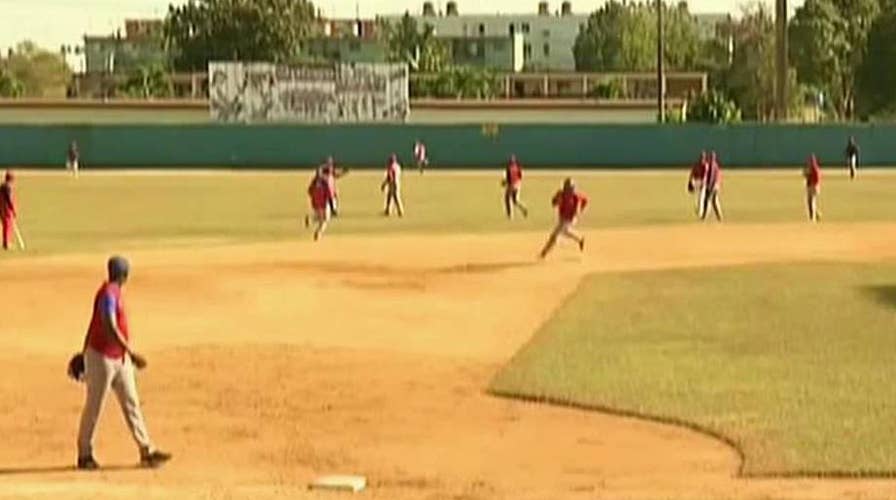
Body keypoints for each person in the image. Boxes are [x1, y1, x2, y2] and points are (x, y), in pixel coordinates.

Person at [77, 256, 171, 470]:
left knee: (132, 403)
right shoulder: (109, 294)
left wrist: (86, 353)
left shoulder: (111, 292)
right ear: (124, 275)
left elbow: (93, 325)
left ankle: (146, 450)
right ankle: (84, 454)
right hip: (102, 358)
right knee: (94, 407)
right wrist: (131, 352)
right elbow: (108, 324)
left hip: (118, 358)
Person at [539, 178, 587, 259]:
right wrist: (557, 200)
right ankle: (580, 239)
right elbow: (553, 203)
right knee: (560, 233)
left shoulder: (576, 197)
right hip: (562, 217)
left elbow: (582, 204)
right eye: (567, 187)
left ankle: (544, 253)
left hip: (571, 218)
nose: (569, 190)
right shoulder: (560, 194)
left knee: (559, 232)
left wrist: (578, 212)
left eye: (570, 188)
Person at [305, 169, 332, 241]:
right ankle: (318, 233)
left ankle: (311, 220)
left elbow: (309, 191)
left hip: (315, 203)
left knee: (319, 217)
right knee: (325, 220)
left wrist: (314, 199)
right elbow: (328, 193)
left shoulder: (314, 181)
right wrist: (331, 204)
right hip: (323, 203)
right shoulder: (324, 182)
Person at [502, 155, 528, 219]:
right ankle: (523, 208)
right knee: (515, 200)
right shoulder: (518, 167)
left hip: (512, 185)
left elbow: (508, 179)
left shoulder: (508, 168)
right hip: (517, 185)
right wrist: (517, 184)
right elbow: (520, 176)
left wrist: (504, 183)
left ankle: (510, 215)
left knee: (507, 199)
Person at [701, 151, 723, 222]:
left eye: (711, 157)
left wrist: (709, 186)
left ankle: (704, 216)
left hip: (713, 186)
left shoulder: (712, 166)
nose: (710, 158)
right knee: (714, 201)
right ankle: (719, 216)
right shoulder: (715, 165)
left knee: (707, 200)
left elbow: (711, 177)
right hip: (716, 186)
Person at [687, 151, 708, 215]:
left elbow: (705, 176)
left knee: (701, 197)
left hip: (703, 183)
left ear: (704, 158)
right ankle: (700, 211)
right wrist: (691, 181)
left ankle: (700, 212)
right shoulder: (696, 165)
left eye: (703, 157)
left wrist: (702, 183)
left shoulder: (705, 165)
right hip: (697, 182)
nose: (702, 158)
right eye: (701, 157)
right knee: (698, 198)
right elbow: (692, 174)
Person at [0, 171, 16, 251]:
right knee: (7, 226)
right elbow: (9, 199)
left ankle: (5, 242)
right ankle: (6, 243)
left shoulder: (2, 186)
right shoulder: (9, 187)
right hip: (6, 209)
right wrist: (13, 209)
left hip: (1, 208)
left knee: (5, 226)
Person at [804, 154, 822, 222]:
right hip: (810, 186)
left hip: (813, 186)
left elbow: (817, 178)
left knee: (811, 201)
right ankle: (816, 215)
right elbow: (806, 175)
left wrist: (814, 185)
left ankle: (813, 217)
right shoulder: (810, 167)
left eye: (811, 160)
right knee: (810, 202)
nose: (809, 161)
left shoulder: (814, 168)